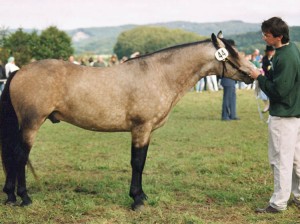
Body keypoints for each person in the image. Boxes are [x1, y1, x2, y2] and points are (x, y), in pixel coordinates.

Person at [249, 17, 300, 213]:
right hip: (294, 114)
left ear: (278, 37)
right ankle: (298, 195)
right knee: (296, 159)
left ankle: (278, 203)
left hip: (283, 116)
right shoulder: (290, 49)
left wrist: (259, 77)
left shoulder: (285, 57)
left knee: (280, 160)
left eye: (267, 35)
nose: (264, 38)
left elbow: (279, 91)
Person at [221, 39, 239, 121]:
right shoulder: (225, 56)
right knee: (227, 98)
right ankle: (225, 116)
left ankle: (233, 114)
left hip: (232, 79)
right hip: (227, 79)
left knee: (232, 97)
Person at [258, 45, 275, 113]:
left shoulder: (274, 58)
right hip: (266, 77)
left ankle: (271, 106)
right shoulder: (264, 59)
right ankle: (266, 105)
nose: (271, 52)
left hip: (273, 78)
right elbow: (263, 67)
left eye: (272, 51)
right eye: (270, 51)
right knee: (263, 93)